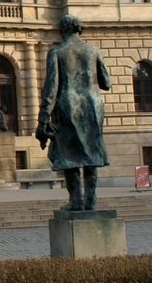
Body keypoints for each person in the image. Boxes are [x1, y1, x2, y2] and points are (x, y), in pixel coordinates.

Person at [36, 15, 111, 211]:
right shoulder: (94, 51)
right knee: (91, 154)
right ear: (79, 30)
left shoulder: (57, 52)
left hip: (67, 107)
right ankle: (91, 201)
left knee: (70, 156)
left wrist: (43, 119)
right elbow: (106, 83)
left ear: (63, 30)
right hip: (93, 107)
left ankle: (76, 200)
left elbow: (50, 89)